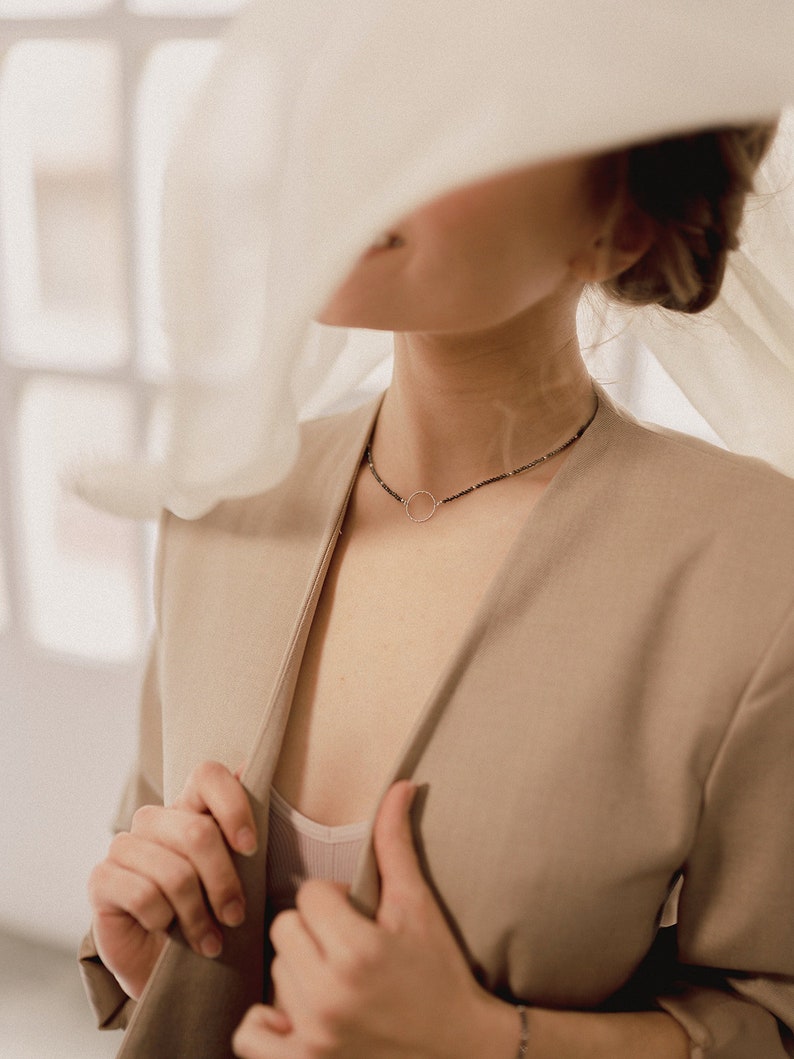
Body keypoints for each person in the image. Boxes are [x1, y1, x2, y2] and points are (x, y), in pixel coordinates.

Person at [78, 110, 794, 1058]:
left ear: (619, 223)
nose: (364, 142)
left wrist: (486, 1038)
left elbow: (769, 1018)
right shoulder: (222, 503)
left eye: (456, 108)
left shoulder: (754, 560)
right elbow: (160, 882)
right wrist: (153, 959)